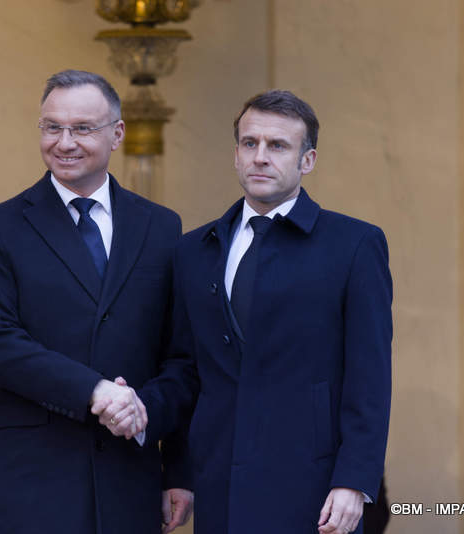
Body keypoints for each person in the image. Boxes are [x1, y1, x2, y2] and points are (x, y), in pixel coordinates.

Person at [0, 69, 195, 534]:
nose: (64, 142)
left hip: (130, 480)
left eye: (82, 128)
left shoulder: (162, 228)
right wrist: (98, 392)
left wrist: (176, 465)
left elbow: (183, 359)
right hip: (36, 483)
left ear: (117, 134)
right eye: (52, 127)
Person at [166, 90, 393, 533]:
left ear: (307, 161)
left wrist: (354, 480)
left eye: (278, 146)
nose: (260, 157)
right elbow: (185, 369)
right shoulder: (192, 250)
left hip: (315, 487)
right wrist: (177, 472)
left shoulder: (354, 245)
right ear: (235, 155)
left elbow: (370, 376)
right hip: (219, 484)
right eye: (250, 144)